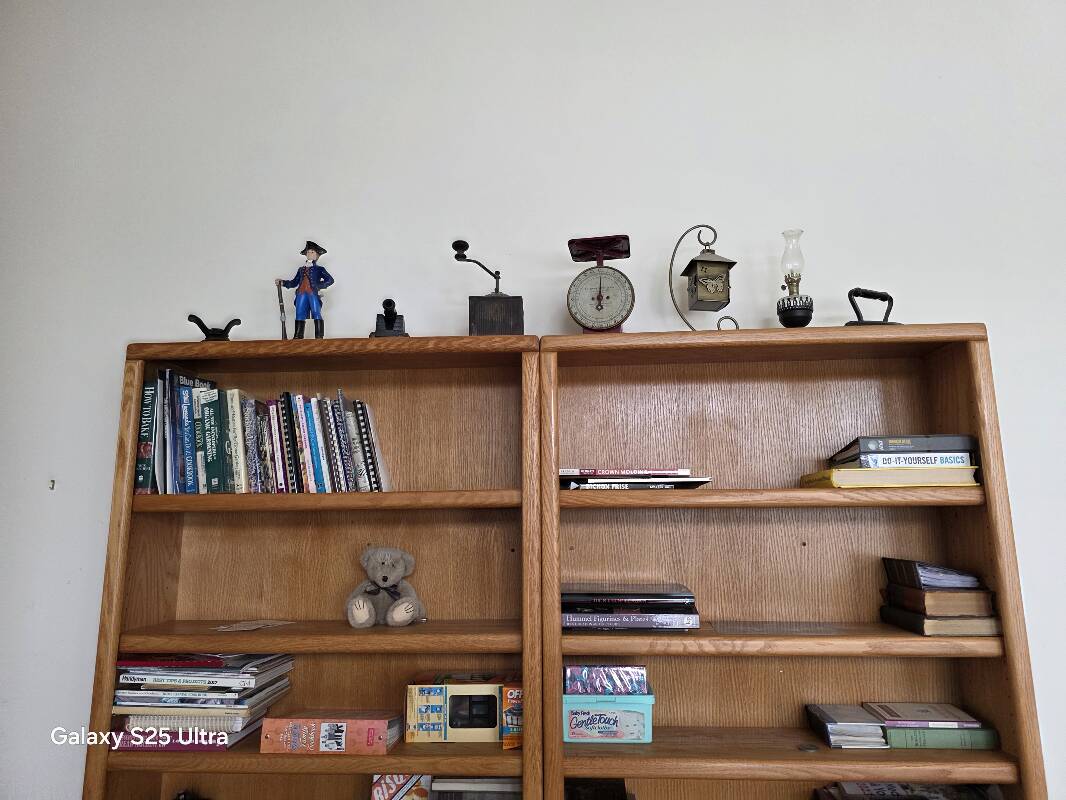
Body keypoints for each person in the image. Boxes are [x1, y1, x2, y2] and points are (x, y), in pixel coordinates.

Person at [277, 241, 335, 338]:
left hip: (313, 293)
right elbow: (294, 282)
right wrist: (283, 282)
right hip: (301, 293)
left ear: (317, 255)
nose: (309, 254)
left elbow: (330, 280)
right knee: (299, 312)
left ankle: (319, 336)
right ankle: (298, 336)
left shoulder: (320, 269)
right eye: (308, 252)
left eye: (312, 252)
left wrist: (318, 286)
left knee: (316, 312)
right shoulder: (301, 269)